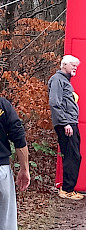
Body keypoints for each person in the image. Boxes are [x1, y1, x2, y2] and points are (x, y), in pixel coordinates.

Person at [48, 55, 84, 200]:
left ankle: (69, 188)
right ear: (64, 65)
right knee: (72, 155)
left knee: (74, 155)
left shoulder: (64, 81)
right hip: (66, 123)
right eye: (73, 65)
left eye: (76, 65)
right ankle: (67, 189)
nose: (75, 68)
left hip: (70, 122)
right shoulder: (58, 80)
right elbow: (54, 102)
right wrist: (65, 123)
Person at [0, 97, 30, 230]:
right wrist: (24, 168)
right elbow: (18, 137)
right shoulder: (2, 105)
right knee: (6, 225)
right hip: (1, 172)